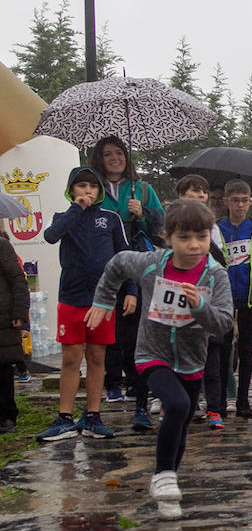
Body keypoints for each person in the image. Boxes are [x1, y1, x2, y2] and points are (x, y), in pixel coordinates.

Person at [86, 199, 233, 520]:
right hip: (152, 354)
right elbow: (118, 263)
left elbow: (223, 323)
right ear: (167, 236)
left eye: (201, 237)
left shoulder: (215, 275)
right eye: (184, 238)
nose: (193, 245)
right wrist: (103, 300)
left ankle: (167, 484)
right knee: (177, 406)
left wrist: (199, 307)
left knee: (181, 423)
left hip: (192, 360)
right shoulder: (152, 264)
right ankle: (164, 475)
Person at [36, 167, 134, 441]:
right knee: (71, 358)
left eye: (92, 186)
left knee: (97, 357)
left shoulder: (111, 218)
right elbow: (51, 236)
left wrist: (131, 291)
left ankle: (93, 416)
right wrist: (76, 209)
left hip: (103, 301)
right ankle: (64, 418)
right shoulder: (63, 217)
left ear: (99, 191)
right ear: (71, 190)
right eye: (81, 186)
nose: (88, 190)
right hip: (71, 298)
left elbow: (124, 257)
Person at [94, 136, 162, 427]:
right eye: (108, 154)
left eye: (119, 153)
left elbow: (162, 225)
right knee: (108, 328)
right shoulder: (93, 188)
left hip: (136, 267)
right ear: (99, 159)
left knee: (135, 330)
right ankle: (111, 382)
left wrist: (142, 213)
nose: (114, 158)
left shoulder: (142, 189)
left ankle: (138, 390)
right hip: (102, 268)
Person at [213, 180, 252, 420]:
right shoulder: (217, 228)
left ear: (250, 202)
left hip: (250, 297)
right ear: (226, 201)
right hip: (224, 298)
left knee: (246, 350)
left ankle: (242, 401)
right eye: (235, 200)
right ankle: (219, 401)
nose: (240, 205)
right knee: (223, 350)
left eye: (244, 201)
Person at [176, 174, 226, 427]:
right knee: (185, 360)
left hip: (209, 298)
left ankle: (214, 408)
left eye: (203, 191)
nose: (200, 196)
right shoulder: (173, 224)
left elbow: (222, 260)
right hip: (180, 300)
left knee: (212, 359)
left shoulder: (214, 227)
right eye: (193, 191)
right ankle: (189, 405)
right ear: (181, 195)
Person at [0, 229, 29, 434]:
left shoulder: (2, 246)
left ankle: (8, 416)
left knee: (3, 369)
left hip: (3, 319)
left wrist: (19, 312)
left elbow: (18, 280)